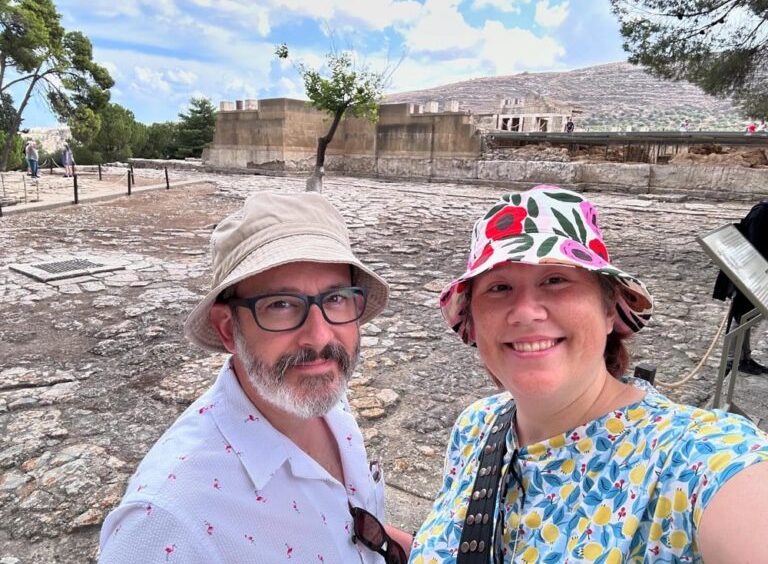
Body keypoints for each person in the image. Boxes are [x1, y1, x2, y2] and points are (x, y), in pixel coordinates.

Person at [410, 185, 768, 563]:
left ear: (609, 309)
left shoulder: (694, 458)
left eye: (556, 280)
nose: (526, 312)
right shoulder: (475, 427)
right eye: (499, 287)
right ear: (475, 322)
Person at [99, 192, 412, 563]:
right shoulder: (167, 521)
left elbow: (341, 528)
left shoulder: (319, 395)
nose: (321, 337)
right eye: (280, 305)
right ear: (229, 329)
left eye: (336, 299)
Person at [713, 197, 768, 375]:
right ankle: (732, 360)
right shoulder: (763, 213)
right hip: (749, 271)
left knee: (747, 317)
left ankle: (744, 357)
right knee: (740, 316)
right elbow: (757, 245)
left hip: (755, 271)